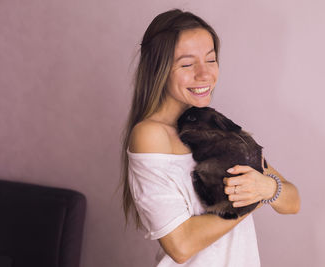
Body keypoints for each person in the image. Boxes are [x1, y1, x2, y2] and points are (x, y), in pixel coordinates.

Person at [120, 9, 300, 266]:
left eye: (211, 59)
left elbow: (293, 201)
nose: (204, 74)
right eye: (187, 64)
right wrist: (253, 200)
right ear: (158, 68)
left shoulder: (215, 124)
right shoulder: (150, 135)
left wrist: (269, 187)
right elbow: (180, 246)